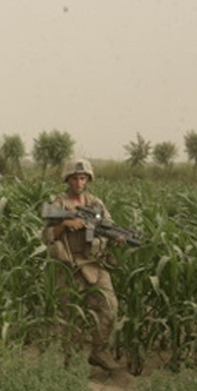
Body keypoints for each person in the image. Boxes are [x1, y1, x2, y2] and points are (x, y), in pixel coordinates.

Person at [41, 158, 124, 371]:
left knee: (110, 306)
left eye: (83, 178)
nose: (79, 182)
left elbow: (109, 225)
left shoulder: (95, 204)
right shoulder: (59, 205)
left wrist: (117, 236)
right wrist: (65, 224)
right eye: (75, 178)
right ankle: (71, 359)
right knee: (71, 313)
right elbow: (47, 235)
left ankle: (99, 351)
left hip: (94, 263)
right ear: (68, 180)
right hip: (69, 264)